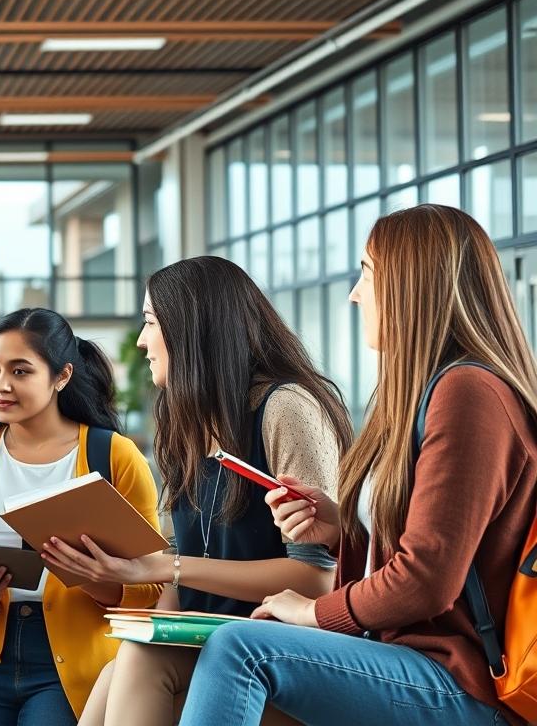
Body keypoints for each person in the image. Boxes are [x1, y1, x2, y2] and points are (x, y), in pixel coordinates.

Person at [178, 204, 535, 725]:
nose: (354, 293)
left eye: (367, 273)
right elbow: (429, 551)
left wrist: (311, 613)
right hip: (403, 660)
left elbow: (426, 580)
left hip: (461, 683)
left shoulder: (468, 394)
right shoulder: (418, 394)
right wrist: (341, 526)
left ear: (411, 284)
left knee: (239, 649)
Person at [79, 256, 352, 725]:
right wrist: (155, 623)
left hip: (281, 654)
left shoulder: (285, 408)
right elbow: (183, 574)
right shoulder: (185, 424)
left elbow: (316, 577)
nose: (142, 341)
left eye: (149, 323)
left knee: (140, 664)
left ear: (191, 331)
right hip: (210, 642)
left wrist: (167, 567)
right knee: (122, 663)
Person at [0, 308, 163, 725]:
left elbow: (153, 581)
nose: (1, 385)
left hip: (76, 660)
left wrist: (103, 584)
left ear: (61, 376)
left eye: (21, 371)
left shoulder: (114, 455)